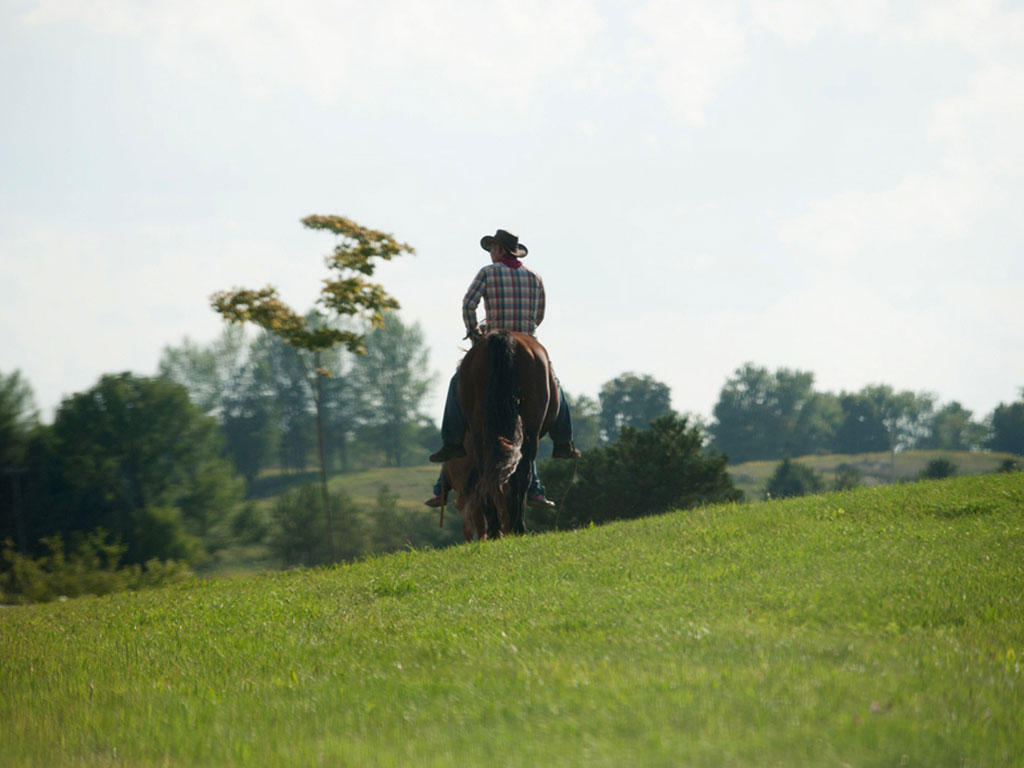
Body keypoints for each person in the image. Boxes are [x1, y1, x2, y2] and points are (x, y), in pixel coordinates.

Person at [424, 228, 579, 510]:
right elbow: (539, 315)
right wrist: (525, 333)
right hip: (528, 340)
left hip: (494, 342)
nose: (490, 253)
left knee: (456, 382)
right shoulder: (534, 277)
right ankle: (564, 440)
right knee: (554, 384)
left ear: (499, 250)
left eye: (492, 248)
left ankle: (452, 441)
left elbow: (468, 304)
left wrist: (475, 333)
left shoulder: (488, 272)